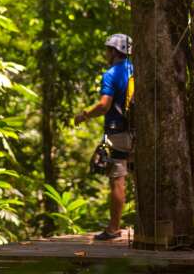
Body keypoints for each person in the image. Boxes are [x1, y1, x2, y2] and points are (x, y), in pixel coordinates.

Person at [74, 33, 134, 241]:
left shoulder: (111, 74)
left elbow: (104, 105)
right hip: (139, 133)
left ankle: (114, 228)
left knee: (117, 179)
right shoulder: (136, 69)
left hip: (118, 133)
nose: (106, 53)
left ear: (114, 51)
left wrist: (84, 115)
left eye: (108, 49)